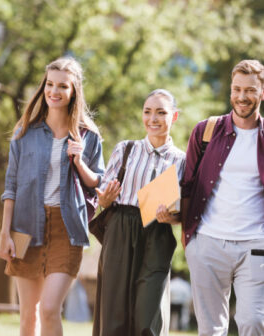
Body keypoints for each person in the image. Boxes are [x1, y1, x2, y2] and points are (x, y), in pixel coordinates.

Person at [0, 56, 105, 336]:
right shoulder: (25, 132)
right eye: (50, 84)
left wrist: (80, 161)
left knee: (49, 309)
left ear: (73, 92)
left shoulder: (89, 136)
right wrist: (4, 232)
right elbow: (11, 186)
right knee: (27, 318)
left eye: (62, 86)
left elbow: (98, 183)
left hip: (66, 229)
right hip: (24, 228)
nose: (54, 92)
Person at [93, 89, 186, 336]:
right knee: (113, 314)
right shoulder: (126, 149)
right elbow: (104, 195)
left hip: (158, 234)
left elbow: (184, 210)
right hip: (120, 229)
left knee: (149, 315)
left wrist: (174, 217)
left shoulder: (183, 160)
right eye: (147, 112)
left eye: (161, 112)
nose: (153, 118)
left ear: (174, 117)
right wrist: (104, 198)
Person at [181, 59, 264, 336]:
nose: (242, 97)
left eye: (250, 90)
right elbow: (187, 185)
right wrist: (188, 239)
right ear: (230, 90)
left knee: (254, 321)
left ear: (261, 92)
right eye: (237, 89)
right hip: (208, 243)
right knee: (211, 330)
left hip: (255, 244)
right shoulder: (206, 131)